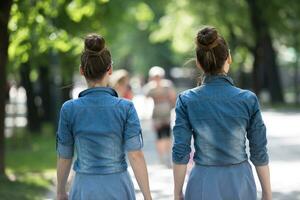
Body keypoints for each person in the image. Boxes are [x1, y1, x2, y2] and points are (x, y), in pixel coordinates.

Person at [172, 27, 271, 200]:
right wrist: (267, 194)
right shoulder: (248, 99)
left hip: (202, 181)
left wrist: (177, 192)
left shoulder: (186, 100)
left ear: (198, 62)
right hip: (240, 182)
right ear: (229, 58)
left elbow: (181, 151)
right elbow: (259, 151)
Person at [56, 34, 152, 200]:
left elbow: (65, 156)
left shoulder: (69, 109)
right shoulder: (126, 108)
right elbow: (135, 155)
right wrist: (147, 197)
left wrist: (60, 192)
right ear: (110, 69)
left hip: (84, 187)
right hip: (118, 186)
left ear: (81, 71)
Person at [144, 66, 176, 167]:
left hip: (166, 114)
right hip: (157, 115)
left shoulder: (167, 85)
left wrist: (171, 107)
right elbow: (145, 99)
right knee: (159, 136)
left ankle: (167, 157)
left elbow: (173, 97)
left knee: (167, 136)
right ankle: (162, 157)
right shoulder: (150, 87)